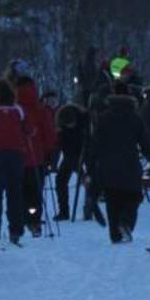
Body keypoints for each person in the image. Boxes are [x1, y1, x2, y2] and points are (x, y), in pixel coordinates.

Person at [85, 82, 150, 244]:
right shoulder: (135, 118)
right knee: (133, 196)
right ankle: (125, 223)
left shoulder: (104, 118)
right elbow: (146, 144)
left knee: (113, 199)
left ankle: (115, 234)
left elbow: (94, 144)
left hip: (107, 166)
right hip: (129, 164)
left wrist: (90, 166)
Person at [0, 78, 30, 248]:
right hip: (16, 155)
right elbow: (28, 129)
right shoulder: (18, 109)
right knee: (15, 193)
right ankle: (15, 230)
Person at [15, 75, 55, 236]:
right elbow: (49, 134)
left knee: (21, 190)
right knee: (36, 191)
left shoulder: (14, 108)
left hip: (17, 157)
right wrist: (49, 153)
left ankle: (25, 217)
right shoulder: (40, 109)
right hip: (37, 157)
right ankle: (35, 220)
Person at [53, 94, 89, 222]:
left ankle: (89, 209)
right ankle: (64, 211)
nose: (70, 126)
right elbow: (63, 146)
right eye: (68, 125)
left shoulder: (84, 120)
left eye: (72, 124)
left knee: (88, 181)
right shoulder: (61, 125)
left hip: (87, 151)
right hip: (70, 154)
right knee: (60, 180)